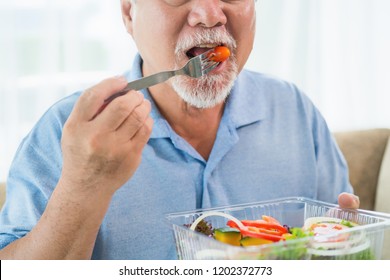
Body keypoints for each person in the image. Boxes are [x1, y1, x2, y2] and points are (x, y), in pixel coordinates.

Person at [0, 0, 359, 260]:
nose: (210, 14)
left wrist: (341, 247)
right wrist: (83, 185)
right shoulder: (68, 132)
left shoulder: (294, 110)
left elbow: (337, 243)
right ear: (129, 13)